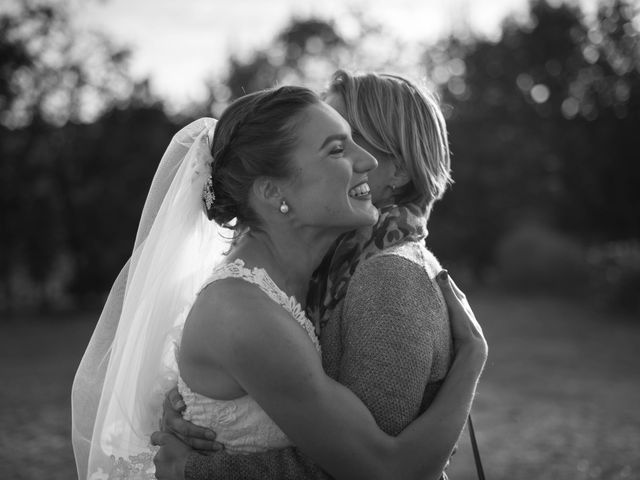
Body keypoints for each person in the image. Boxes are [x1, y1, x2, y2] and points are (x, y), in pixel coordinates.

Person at [151, 72, 487, 480]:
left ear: (399, 168)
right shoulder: (308, 281)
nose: (364, 161)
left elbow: (385, 466)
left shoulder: (385, 276)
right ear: (274, 192)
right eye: (336, 148)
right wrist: (194, 397)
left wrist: (194, 470)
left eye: (354, 139)